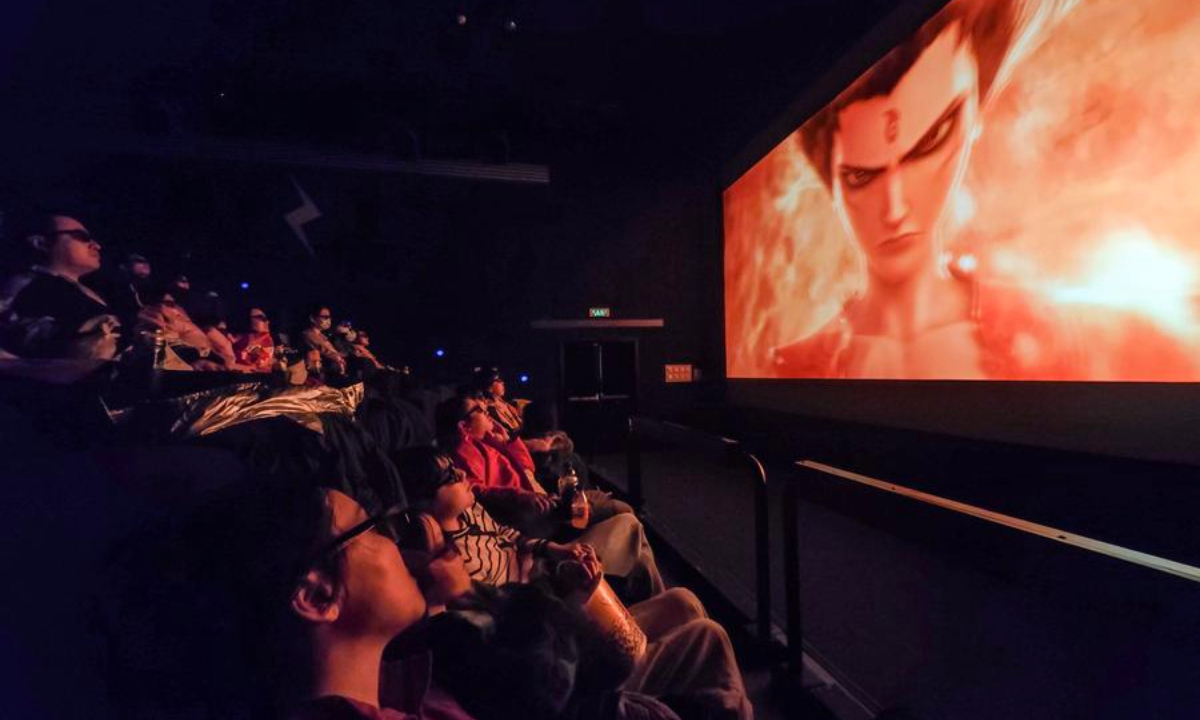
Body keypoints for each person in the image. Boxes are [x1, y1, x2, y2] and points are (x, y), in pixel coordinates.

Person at [773, 0, 1092, 380]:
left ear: (974, 118)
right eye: (862, 175)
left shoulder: (1047, 332)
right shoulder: (791, 365)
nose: (894, 210)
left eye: (929, 142)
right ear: (833, 184)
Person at [411, 507, 751, 720]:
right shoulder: (450, 637)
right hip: (584, 677)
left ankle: (684, 675)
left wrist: (565, 582)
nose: (452, 550)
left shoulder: (471, 522)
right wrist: (570, 600)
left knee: (683, 601)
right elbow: (546, 681)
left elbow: (511, 551)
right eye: (442, 549)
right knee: (708, 636)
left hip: (564, 624)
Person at [190, 484, 471, 720]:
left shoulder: (397, 690)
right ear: (317, 597)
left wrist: (436, 606)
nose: (397, 546)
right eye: (374, 529)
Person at [398, 448, 664, 611]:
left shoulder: (468, 509)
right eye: (451, 477)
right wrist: (547, 570)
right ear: (422, 499)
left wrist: (556, 549)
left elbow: (507, 534)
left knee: (634, 539)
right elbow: (505, 603)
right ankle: (637, 613)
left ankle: (639, 609)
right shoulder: (455, 559)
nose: (463, 475)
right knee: (627, 523)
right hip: (542, 591)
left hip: (544, 562)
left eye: (458, 469)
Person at [3, 212, 121, 360]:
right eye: (82, 236)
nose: (96, 245)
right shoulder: (25, 285)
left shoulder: (85, 289)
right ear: (41, 243)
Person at [302, 305, 348, 376]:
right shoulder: (309, 334)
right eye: (325, 317)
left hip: (335, 363)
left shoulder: (322, 335)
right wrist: (339, 358)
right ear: (312, 318)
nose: (329, 320)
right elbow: (326, 351)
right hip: (326, 367)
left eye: (330, 317)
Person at [232, 306, 278, 373]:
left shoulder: (265, 338)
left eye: (266, 318)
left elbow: (261, 364)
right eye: (260, 317)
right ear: (247, 320)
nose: (267, 321)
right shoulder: (235, 342)